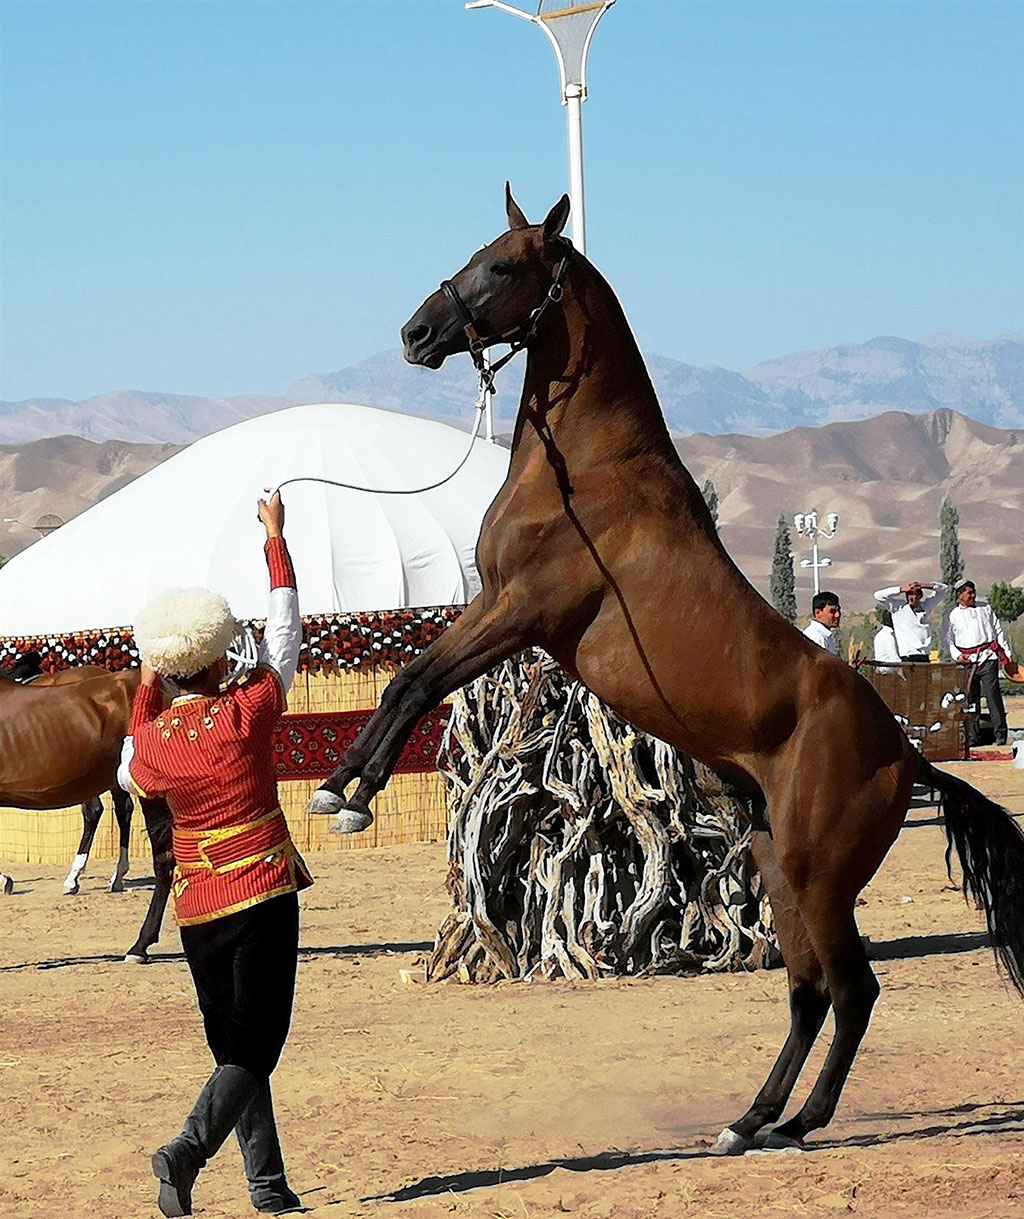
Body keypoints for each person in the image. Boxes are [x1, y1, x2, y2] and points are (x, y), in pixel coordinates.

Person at [118, 491, 309, 1218]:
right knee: (257, 1045)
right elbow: (285, 632)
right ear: (216, 652)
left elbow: (133, 757)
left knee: (234, 1046)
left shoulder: (157, 746)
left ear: (170, 664)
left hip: (197, 909)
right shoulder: (248, 708)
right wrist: (275, 540)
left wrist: (146, 682)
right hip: (260, 888)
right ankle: (186, 1150)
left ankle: (267, 1185)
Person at [944, 578, 1014, 747]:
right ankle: (973, 737)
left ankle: (1000, 734)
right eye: (969, 593)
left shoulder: (986, 608)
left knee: (993, 697)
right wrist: (957, 655)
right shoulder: (952, 615)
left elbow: (998, 631)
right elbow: (947, 638)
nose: (973, 595)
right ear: (960, 595)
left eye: (974, 592)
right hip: (967, 663)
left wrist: (1007, 654)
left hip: (988, 658)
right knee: (971, 701)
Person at [873, 579, 948, 662]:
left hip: (924, 655)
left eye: (914, 595)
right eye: (909, 595)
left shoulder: (926, 607)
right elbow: (878, 595)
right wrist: (901, 590)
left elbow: (944, 590)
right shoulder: (898, 608)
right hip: (908, 655)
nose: (911, 597)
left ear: (919, 596)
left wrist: (923, 585)